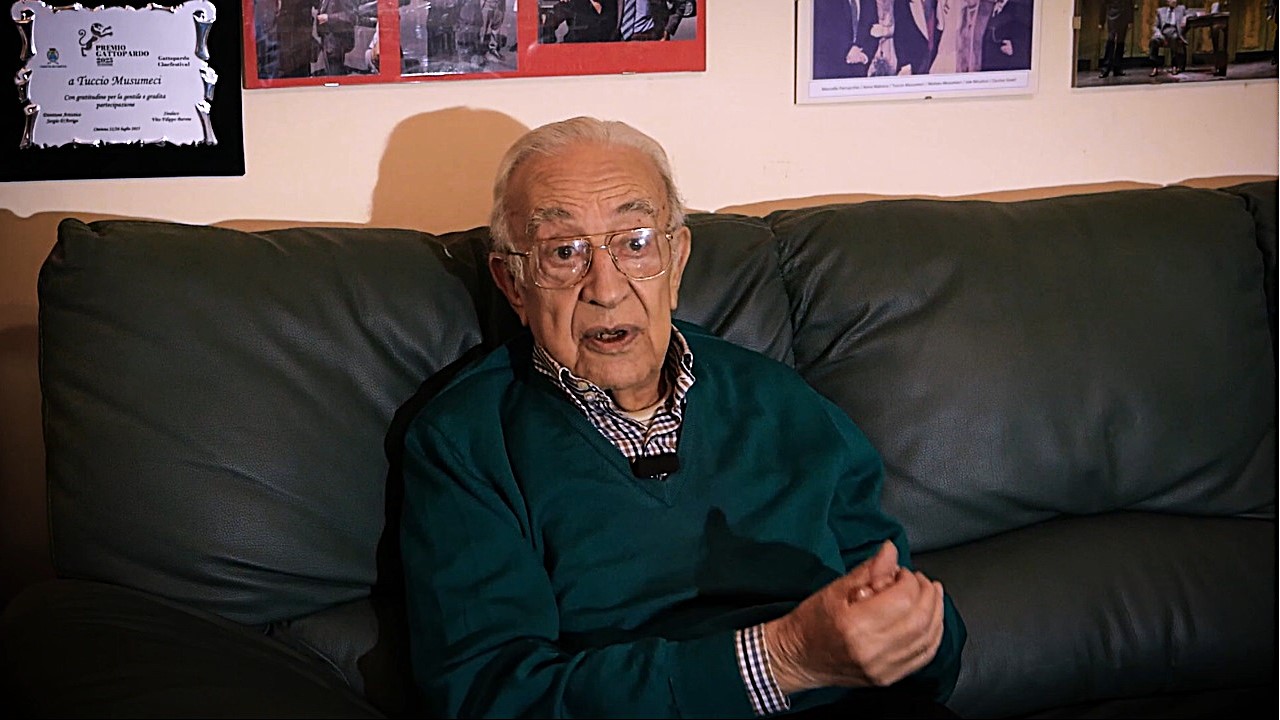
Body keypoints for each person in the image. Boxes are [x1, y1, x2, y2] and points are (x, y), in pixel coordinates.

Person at [399, 116, 967, 718]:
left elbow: (923, 640)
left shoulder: (779, 398)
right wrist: (781, 660)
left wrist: (914, 634)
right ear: (513, 284)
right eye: (564, 252)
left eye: (635, 244)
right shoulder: (465, 441)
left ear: (677, 261)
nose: (607, 289)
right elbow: (493, 696)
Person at [315, 0, 358, 75]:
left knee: (335, 75)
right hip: (327, 42)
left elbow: (351, 17)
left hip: (338, 44)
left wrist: (328, 18)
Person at [1148, 0, 1187, 77]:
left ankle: (1174, 66)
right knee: (1153, 41)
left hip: (1174, 31)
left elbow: (1192, 14)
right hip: (1163, 33)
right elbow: (1155, 26)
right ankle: (1154, 67)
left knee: (1174, 38)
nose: (1174, 1)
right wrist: (1159, 35)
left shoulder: (1181, 9)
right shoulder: (1160, 11)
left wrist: (1185, 17)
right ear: (1167, 1)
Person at [1098, 0, 1133, 78]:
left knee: (1121, 42)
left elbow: (1129, 4)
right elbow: (1103, 5)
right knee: (1111, 40)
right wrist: (1101, 21)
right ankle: (1106, 68)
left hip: (1123, 16)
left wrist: (1130, 20)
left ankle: (1117, 68)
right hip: (1112, 15)